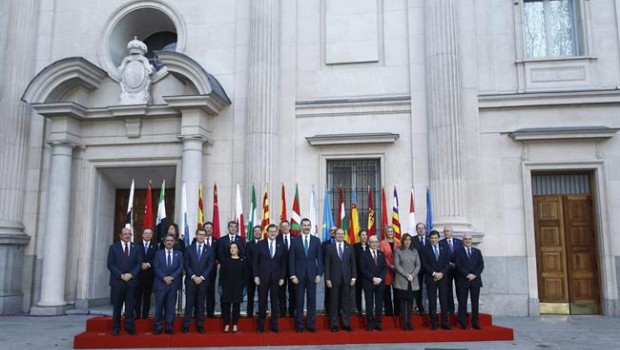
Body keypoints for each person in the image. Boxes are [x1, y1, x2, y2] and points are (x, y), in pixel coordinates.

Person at [289, 218, 323, 333]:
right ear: (301, 226)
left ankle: (310, 324)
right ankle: (299, 325)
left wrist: (319, 274)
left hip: (312, 275)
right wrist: (293, 275)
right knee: (299, 301)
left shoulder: (316, 241)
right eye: (304, 225)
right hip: (298, 276)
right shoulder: (295, 241)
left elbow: (320, 259)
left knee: (311, 301)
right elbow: (291, 260)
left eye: (308, 225)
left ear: (311, 226)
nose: (306, 227)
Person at [107, 227, 143, 336]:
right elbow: (110, 264)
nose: (127, 235)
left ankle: (130, 327)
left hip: (131, 282)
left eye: (129, 234)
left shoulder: (136, 247)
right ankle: (116, 328)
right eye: (125, 234)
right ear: (120, 235)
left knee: (130, 306)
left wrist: (131, 274)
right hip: (118, 282)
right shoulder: (113, 248)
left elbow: (138, 263)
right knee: (117, 306)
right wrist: (121, 275)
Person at [253, 224, 286, 333]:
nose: (272, 233)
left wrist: (282, 277)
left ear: (277, 233)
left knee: (274, 302)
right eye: (270, 231)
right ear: (266, 233)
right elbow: (255, 262)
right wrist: (256, 276)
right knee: (262, 301)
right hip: (262, 278)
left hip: (276, 279)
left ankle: (274, 325)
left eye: (274, 231)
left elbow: (283, 263)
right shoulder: (260, 244)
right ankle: (260, 325)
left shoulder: (281, 245)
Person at [183, 228, 214, 333]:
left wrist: (201, 277)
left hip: (203, 281)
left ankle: (200, 325)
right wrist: (193, 276)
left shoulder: (209, 249)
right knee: (189, 304)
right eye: (199, 234)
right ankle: (186, 325)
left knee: (201, 304)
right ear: (196, 235)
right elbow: (186, 265)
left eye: (203, 235)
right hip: (190, 281)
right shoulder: (189, 249)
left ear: (205, 236)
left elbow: (210, 265)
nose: (201, 236)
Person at [324, 228, 356, 332]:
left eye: (342, 234)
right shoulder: (330, 248)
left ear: (344, 235)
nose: (340, 236)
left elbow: (353, 264)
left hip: (347, 279)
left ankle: (346, 324)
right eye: (338, 234)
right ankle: (334, 324)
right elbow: (327, 265)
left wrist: (354, 277)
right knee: (334, 302)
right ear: (335, 235)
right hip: (334, 280)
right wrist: (327, 278)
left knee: (346, 303)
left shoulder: (349, 247)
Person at [421, 230, 451, 330]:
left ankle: (445, 323)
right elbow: (424, 264)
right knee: (432, 301)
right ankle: (433, 323)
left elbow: (447, 262)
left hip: (443, 278)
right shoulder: (425, 249)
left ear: (438, 238)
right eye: (432, 238)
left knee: (444, 301)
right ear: (429, 239)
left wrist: (441, 273)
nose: (434, 240)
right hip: (431, 278)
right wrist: (434, 273)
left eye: (436, 238)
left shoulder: (444, 248)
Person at [153, 234, 183, 334]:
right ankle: (158, 327)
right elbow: (156, 267)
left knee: (171, 308)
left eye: (171, 240)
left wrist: (172, 277)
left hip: (173, 284)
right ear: (164, 242)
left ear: (174, 242)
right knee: (159, 307)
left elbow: (180, 268)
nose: (169, 242)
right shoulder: (158, 254)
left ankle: (169, 327)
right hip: (161, 284)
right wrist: (164, 277)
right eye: (167, 241)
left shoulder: (179, 254)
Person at [454, 233, 484, 330]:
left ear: (472, 240)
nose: (467, 240)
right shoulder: (458, 252)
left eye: (469, 239)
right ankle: (462, 321)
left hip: (475, 280)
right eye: (465, 239)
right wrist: (467, 274)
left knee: (475, 302)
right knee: (462, 302)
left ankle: (475, 322)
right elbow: (458, 266)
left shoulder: (477, 251)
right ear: (463, 240)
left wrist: (474, 275)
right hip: (463, 280)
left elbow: (481, 265)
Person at [393, 233, 421, 330]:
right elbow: (397, 265)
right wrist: (406, 275)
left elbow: (418, 265)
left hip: (412, 281)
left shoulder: (415, 251)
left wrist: (412, 275)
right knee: (402, 303)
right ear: (402, 241)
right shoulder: (398, 251)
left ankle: (409, 323)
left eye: (409, 239)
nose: (407, 241)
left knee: (410, 303)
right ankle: (404, 323)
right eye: (405, 239)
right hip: (402, 280)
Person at [360, 235, 387, 331]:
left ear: (378, 243)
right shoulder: (364, 254)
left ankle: (378, 322)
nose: (374, 244)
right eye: (372, 242)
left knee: (379, 303)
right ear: (368, 243)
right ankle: (370, 323)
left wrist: (380, 278)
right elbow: (362, 269)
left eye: (376, 242)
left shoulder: (381, 253)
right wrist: (373, 278)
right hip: (368, 282)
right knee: (369, 304)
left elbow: (384, 268)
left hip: (380, 282)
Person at [221, 242, 247, 333]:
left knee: (236, 306)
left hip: (238, 287)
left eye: (234, 247)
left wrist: (244, 287)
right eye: (231, 248)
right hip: (227, 286)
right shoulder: (225, 261)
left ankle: (235, 324)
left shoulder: (242, 261)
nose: (232, 249)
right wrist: (220, 286)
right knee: (226, 307)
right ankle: (227, 324)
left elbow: (245, 276)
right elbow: (221, 275)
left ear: (238, 249)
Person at [439, 226, 462, 315]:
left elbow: (461, 255)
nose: (446, 233)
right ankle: (450, 309)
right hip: (447, 270)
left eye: (448, 231)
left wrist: (458, 264)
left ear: (452, 232)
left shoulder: (459, 242)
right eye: (444, 231)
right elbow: (441, 257)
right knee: (448, 289)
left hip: (458, 269)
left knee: (460, 289)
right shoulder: (441, 243)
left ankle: (461, 309)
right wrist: (448, 264)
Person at [135, 228, 156, 320]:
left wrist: (148, 264)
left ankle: (145, 315)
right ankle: (137, 314)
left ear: (152, 235)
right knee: (137, 296)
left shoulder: (155, 246)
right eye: (146, 233)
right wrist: (141, 264)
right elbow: (134, 258)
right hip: (138, 275)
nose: (147, 235)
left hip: (149, 275)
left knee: (147, 296)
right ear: (142, 235)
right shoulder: (136, 245)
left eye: (149, 234)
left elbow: (156, 258)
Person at [380, 225, 401, 316]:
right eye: (388, 231)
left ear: (393, 232)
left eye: (391, 231)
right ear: (385, 233)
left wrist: (396, 266)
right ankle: (388, 312)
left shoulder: (398, 242)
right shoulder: (382, 243)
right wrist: (389, 265)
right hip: (387, 270)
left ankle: (397, 312)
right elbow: (382, 256)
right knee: (387, 292)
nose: (390, 233)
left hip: (397, 270)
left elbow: (401, 255)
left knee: (397, 292)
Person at [276, 220, 295, 317]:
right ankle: (282, 312)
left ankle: (292, 312)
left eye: (286, 226)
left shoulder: (295, 238)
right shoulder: (276, 239)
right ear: (280, 228)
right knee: (281, 292)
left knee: (293, 291)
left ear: (289, 227)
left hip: (293, 270)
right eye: (282, 226)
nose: (284, 228)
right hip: (280, 271)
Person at [244, 225, 262, 319]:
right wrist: (254, 270)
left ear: (261, 232)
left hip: (262, 274)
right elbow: (247, 258)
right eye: (255, 231)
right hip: (250, 274)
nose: (257, 233)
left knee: (262, 295)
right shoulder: (249, 244)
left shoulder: (265, 243)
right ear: (253, 233)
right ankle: (249, 313)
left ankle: (262, 312)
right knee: (250, 295)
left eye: (259, 231)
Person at [202, 222, 219, 318]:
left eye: (210, 228)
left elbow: (219, 255)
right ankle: (198, 312)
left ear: (212, 230)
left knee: (210, 291)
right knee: (200, 292)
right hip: (199, 271)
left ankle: (210, 312)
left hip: (212, 271)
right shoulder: (196, 240)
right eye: (206, 227)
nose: (208, 229)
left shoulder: (217, 241)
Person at [412, 223, 428, 313]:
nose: (421, 230)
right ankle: (419, 306)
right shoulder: (413, 240)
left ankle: (428, 306)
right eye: (418, 228)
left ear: (425, 229)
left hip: (429, 268)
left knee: (430, 288)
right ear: (416, 230)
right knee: (418, 288)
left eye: (422, 228)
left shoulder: (430, 239)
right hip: (418, 268)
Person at [320, 226, 337, 313]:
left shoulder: (343, 243)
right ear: (329, 232)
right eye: (331, 230)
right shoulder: (324, 244)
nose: (333, 232)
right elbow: (321, 258)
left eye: (335, 230)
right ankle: (328, 310)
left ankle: (337, 310)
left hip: (339, 272)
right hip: (328, 271)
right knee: (328, 292)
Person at [353, 230, 369, 316]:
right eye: (362, 235)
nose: (364, 236)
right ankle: (359, 310)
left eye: (366, 234)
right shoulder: (355, 246)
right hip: (358, 274)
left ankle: (368, 309)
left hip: (368, 275)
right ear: (359, 237)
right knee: (358, 292)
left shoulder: (370, 246)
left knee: (368, 292)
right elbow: (353, 261)